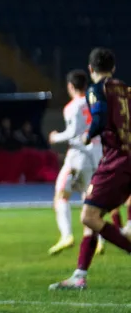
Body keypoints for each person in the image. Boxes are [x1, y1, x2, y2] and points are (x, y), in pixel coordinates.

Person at [51, 49, 131, 289]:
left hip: (116, 160)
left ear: (90, 68)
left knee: (89, 216)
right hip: (125, 156)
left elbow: (97, 117)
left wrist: (88, 135)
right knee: (93, 216)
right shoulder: (125, 90)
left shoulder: (98, 90)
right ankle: (79, 275)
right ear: (113, 67)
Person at [47, 71, 102, 255]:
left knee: (61, 194)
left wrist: (56, 137)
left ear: (70, 86)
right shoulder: (95, 102)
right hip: (95, 156)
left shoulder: (72, 107)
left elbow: (72, 133)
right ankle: (99, 240)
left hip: (77, 156)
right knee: (89, 202)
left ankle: (66, 235)